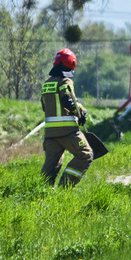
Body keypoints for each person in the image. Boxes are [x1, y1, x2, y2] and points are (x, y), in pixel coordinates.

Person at [40, 48, 93, 186]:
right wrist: (80, 113)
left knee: (51, 167)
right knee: (85, 155)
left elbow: (46, 106)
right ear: (71, 64)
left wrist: (78, 108)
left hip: (50, 134)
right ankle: (64, 188)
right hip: (67, 131)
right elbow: (67, 100)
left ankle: (40, 193)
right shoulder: (65, 81)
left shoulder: (47, 84)